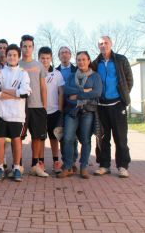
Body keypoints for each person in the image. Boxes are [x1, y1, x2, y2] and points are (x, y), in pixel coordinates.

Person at [92, 36, 133, 178]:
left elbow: (129, 80)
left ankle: (122, 166)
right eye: (101, 43)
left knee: (120, 137)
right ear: (98, 46)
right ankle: (104, 165)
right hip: (101, 106)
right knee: (102, 138)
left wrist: (122, 97)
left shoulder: (121, 60)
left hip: (117, 105)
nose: (104, 45)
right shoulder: (95, 63)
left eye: (106, 43)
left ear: (111, 44)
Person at [58, 51, 102, 179]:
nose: (81, 62)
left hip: (87, 112)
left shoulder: (95, 77)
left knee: (85, 140)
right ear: (76, 62)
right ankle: (68, 166)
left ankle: (83, 167)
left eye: (84, 59)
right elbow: (67, 92)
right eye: (78, 60)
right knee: (67, 138)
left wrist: (77, 95)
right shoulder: (72, 76)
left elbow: (97, 93)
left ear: (89, 61)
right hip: (72, 112)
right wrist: (85, 91)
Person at [0, 44, 31, 182]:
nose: (12, 57)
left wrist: (5, 91)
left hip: (17, 114)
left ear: (18, 57)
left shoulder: (23, 73)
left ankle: (16, 168)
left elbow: (25, 92)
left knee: (16, 140)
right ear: (6, 56)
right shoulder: (0, 73)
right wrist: (14, 93)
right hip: (1, 113)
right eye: (9, 55)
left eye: (15, 55)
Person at [18, 35, 49, 177]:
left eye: (30, 46)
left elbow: (43, 87)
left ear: (33, 48)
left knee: (37, 137)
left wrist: (44, 106)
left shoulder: (39, 66)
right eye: (25, 46)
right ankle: (18, 165)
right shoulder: (16, 65)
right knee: (18, 137)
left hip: (37, 107)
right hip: (20, 107)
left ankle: (35, 165)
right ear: (21, 47)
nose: (27, 48)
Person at [38, 47, 65, 174]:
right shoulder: (35, 73)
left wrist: (60, 109)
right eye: (42, 58)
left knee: (54, 138)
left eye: (48, 58)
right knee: (41, 139)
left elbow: (61, 92)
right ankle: (41, 162)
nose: (45, 60)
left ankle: (56, 162)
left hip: (54, 111)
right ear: (38, 58)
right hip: (40, 111)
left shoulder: (57, 74)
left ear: (51, 59)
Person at [56, 46, 78, 173]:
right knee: (62, 135)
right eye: (62, 53)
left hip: (74, 107)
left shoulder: (77, 70)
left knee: (73, 136)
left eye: (67, 52)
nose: (64, 55)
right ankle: (66, 160)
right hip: (60, 107)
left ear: (70, 55)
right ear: (58, 56)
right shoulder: (55, 71)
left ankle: (73, 161)